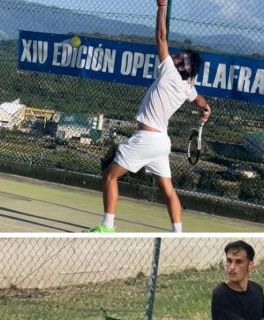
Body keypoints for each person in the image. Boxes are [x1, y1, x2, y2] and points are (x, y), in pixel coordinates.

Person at [86, 0, 211, 233]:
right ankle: (178, 234)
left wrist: (162, 6)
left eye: (180, 56)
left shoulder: (170, 72)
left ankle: (107, 227)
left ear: (182, 65)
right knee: (168, 191)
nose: (175, 55)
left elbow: (161, 37)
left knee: (110, 177)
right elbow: (200, 101)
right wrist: (206, 109)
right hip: (162, 143)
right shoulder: (187, 86)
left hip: (147, 140)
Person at [211, 240, 264, 320]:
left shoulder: (257, 290)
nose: (232, 267)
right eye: (229, 261)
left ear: (250, 265)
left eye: (238, 262)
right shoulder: (222, 294)